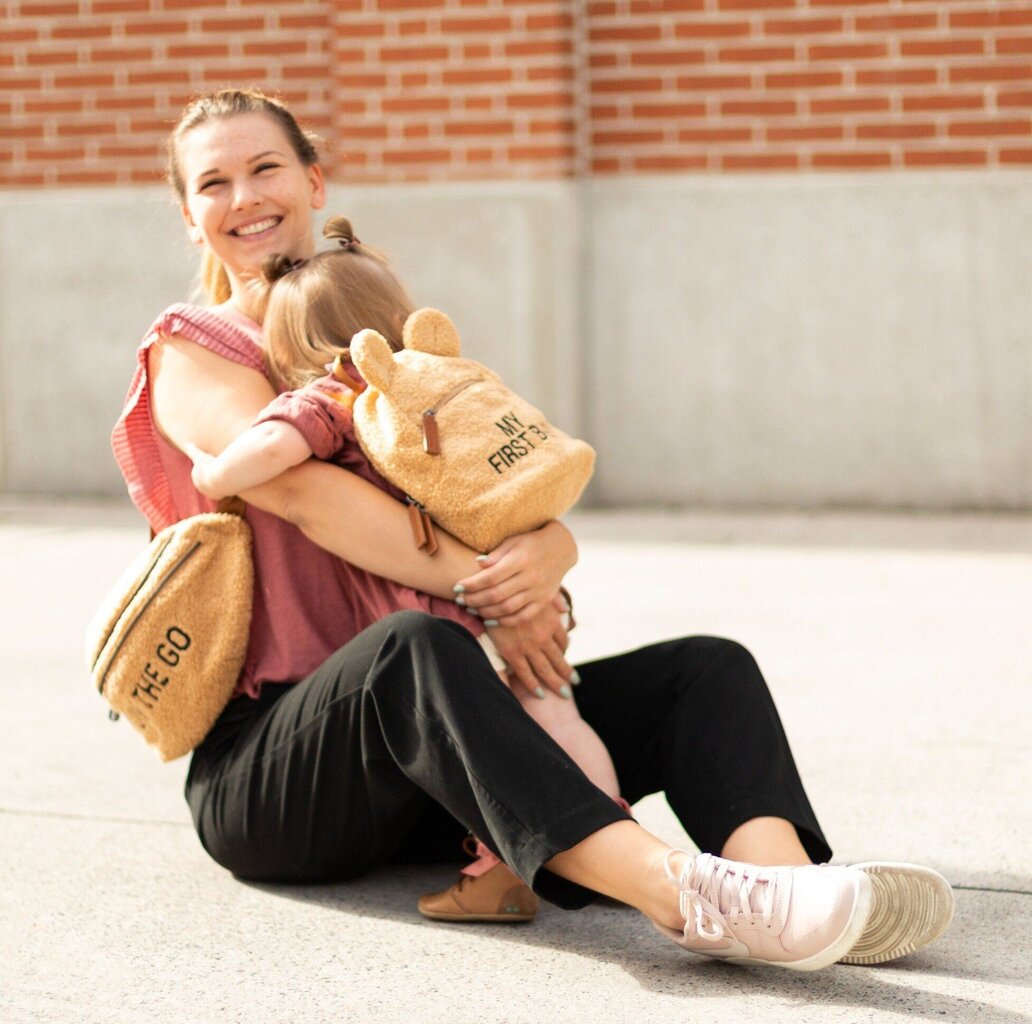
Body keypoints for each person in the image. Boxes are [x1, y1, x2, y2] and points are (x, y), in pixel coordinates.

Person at [111, 87, 954, 971]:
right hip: (284, 774)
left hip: (440, 761)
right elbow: (303, 496)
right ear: (189, 214)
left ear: (315, 183)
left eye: (265, 167)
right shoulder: (194, 346)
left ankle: (783, 894)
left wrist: (552, 549)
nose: (243, 196)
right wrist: (494, 590)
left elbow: (486, 487)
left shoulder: (378, 339)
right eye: (214, 182)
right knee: (412, 650)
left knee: (705, 671)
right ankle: (688, 896)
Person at [183, 215, 625, 921]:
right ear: (398, 318)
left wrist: (212, 471)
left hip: (419, 613)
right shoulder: (449, 387)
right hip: (489, 601)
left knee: (473, 749)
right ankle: (612, 836)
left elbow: (266, 453)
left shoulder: (343, 397)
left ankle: (501, 868)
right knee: (550, 712)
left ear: (300, 351)